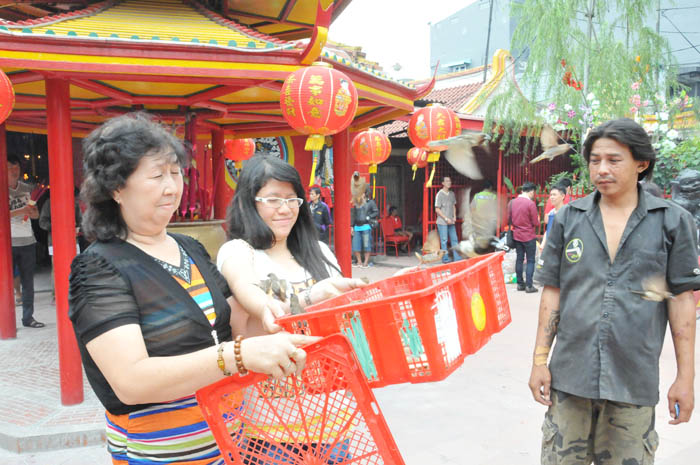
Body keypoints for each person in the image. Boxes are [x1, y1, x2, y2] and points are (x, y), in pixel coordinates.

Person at [68, 113, 319, 465]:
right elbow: (131, 380)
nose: (172, 187)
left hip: (229, 439)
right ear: (116, 188)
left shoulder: (190, 248)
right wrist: (238, 357)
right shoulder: (99, 267)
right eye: (157, 176)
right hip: (161, 452)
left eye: (175, 173)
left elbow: (236, 327)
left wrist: (304, 305)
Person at [529, 118, 699, 465]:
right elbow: (552, 292)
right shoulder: (567, 219)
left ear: (641, 163)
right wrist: (538, 362)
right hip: (570, 378)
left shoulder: (673, 221)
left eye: (613, 160)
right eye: (595, 160)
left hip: (632, 382)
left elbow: (681, 301)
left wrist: (685, 378)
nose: (602, 169)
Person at [218, 154, 364, 337]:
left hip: (327, 363)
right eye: (273, 200)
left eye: (291, 199)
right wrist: (310, 296)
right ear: (246, 204)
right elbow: (246, 287)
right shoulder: (238, 251)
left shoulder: (319, 250)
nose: (285, 209)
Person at [8, 153, 43, 328]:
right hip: (8, 242)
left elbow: (35, 215)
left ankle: (28, 318)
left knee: (28, 282)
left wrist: (31, 212)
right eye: (10, 168)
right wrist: (20, 211)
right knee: (5, 283)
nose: (15, 172)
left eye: (17, 168)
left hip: (28, 240)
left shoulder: (26, 188)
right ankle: (6, 321)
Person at [39, 189, 83, 302]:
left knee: (75, 266)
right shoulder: (49, 203)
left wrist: (77, 227)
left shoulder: (74, 203)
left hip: (73, 239)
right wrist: (58, 226)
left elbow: (80, 220)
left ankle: (76, 293)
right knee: (56, 268)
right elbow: (42, 222)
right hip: (55, 240)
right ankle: (56, 294)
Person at [508, 182, 539, 293]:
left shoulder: (512, 203)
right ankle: (529, 286)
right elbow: (536, 222)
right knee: (530, 260)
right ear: (531, 191)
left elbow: (509, 218)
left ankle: (520, 284)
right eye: (533, 192)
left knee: (519, 259)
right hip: (529, 236)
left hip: (517, 236)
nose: (533, 194)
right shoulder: (530, 204)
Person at [435, 176, 460, 263]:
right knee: (444, 240)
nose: (449, 182)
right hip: (442, 222)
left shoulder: (452, 194)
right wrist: (446, 218)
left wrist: (454, 216)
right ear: (443, 183)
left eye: (450, 180)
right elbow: (437, 209)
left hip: (451, 221)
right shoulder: (439, 194)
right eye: (447, 181)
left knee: (454, 239)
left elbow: (453, 206)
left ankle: (457, 258)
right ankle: (445, 259)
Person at [350, 190, 378, 268]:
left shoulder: (370, 202)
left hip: (366, 226)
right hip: (357, 227)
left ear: (364, 194)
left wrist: (369, 217)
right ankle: (359, 262)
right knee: (356, 245)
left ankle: (365, 263)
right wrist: (351, 226)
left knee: (366, 245)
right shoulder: (356, 203)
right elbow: (354, 215)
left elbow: (376, 212)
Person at [538, 184, 566, 253]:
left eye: (554, 195)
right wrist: (542, 245)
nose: (552, 197)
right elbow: (549, 230)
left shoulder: (567, 212)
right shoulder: (551, 212)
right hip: (551, 249)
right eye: (551, 195)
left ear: (563, 196)